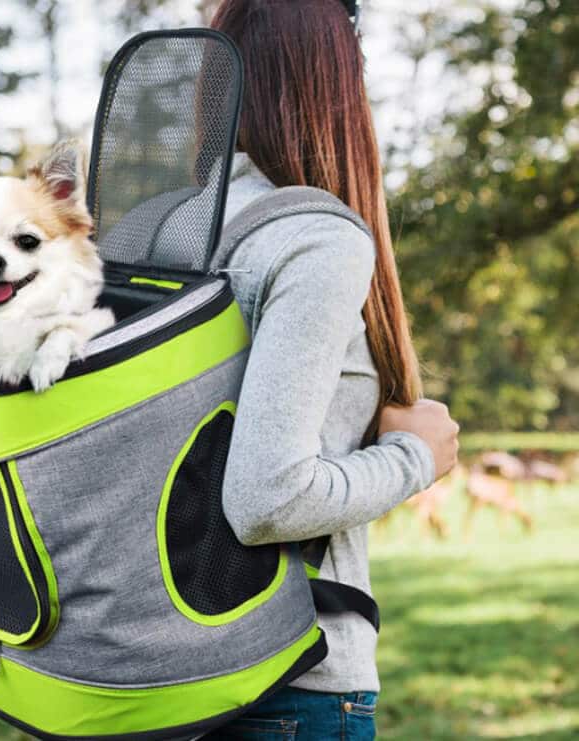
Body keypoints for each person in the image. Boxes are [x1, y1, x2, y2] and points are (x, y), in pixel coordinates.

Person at [203, 1, 460, 739]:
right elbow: (266, 498)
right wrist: (418, 456)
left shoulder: (167, 223)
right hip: (292, 685)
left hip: (155, 677)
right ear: (333, 90)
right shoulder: (313, 238)